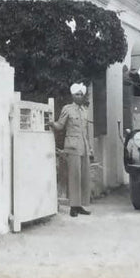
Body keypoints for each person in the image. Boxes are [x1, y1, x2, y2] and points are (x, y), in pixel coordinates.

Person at [51, 82, 94, 217]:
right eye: (77, 94)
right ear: (72, 95)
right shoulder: (67, 109)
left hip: (83, 146)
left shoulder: (84, 111)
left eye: (81, 94)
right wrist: (51, 123)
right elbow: (60, 125)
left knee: (83, 177)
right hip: (72, 146)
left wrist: (90, 147)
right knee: (74, 176)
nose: (79, 97)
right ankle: (73, 208)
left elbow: (86, 131)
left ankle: (80, 205)